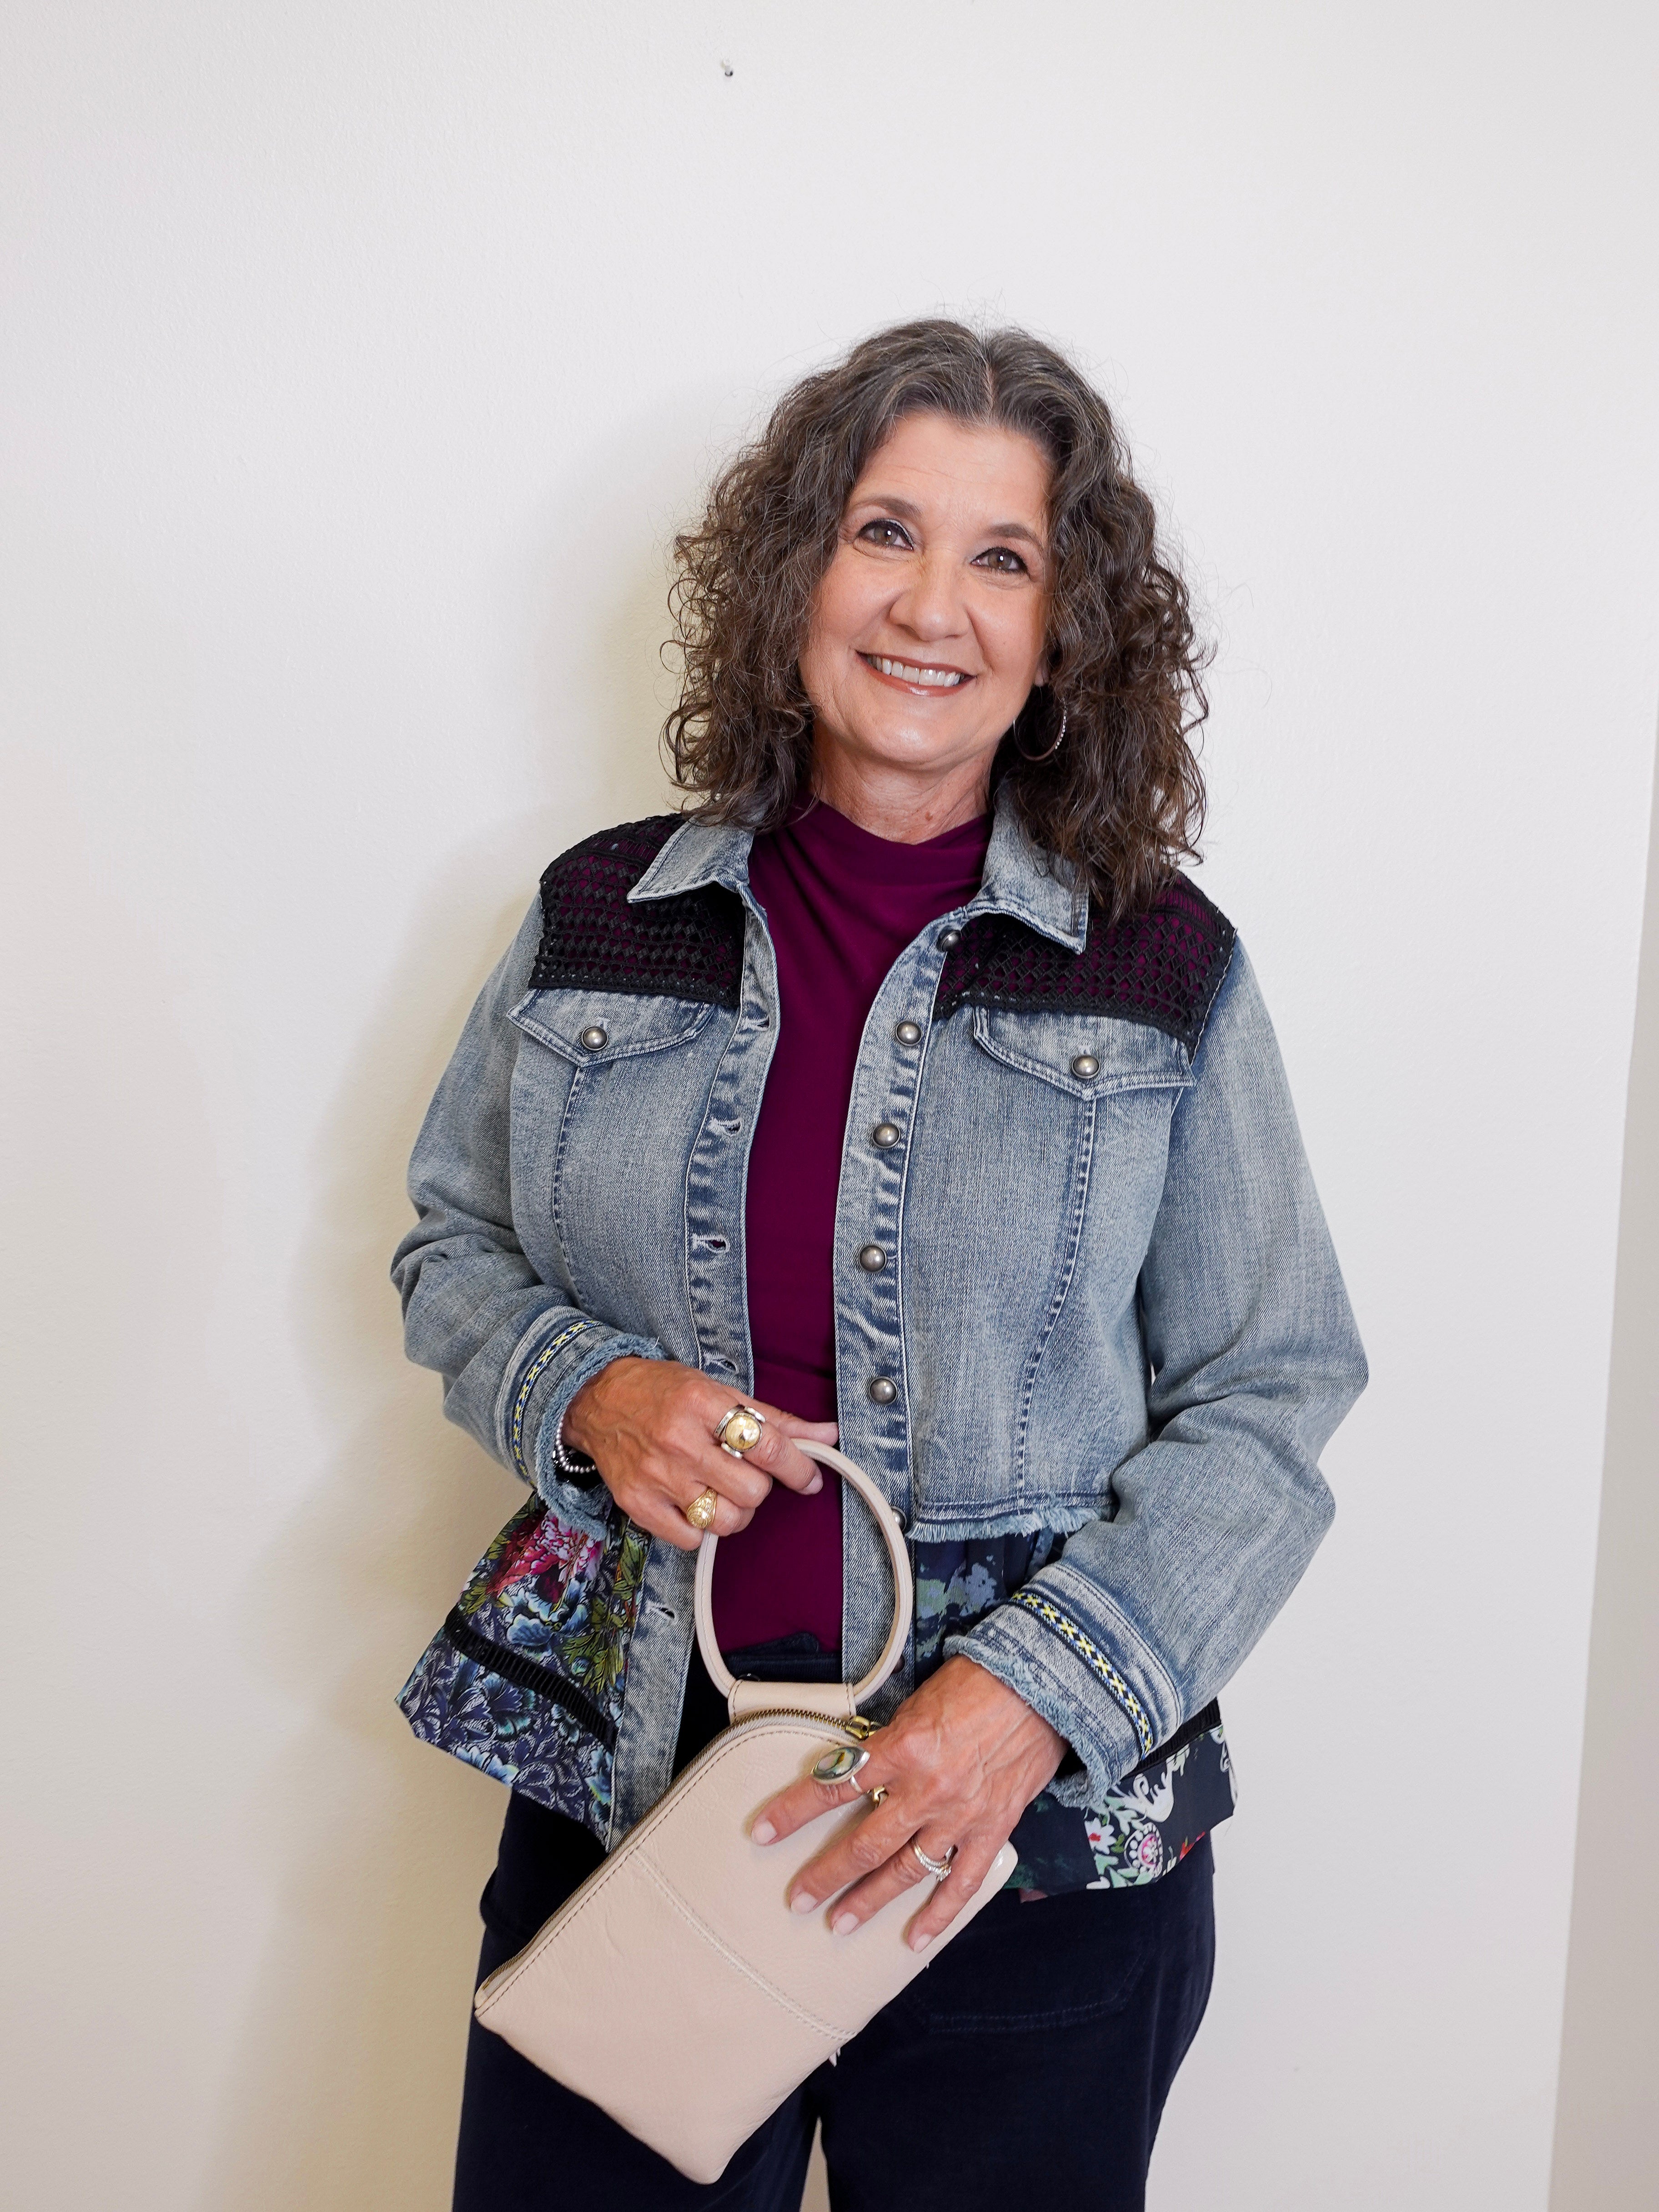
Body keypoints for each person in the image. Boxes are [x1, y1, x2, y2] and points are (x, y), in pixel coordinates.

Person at [392, 319, 1367, 2211]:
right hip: (637, 1794)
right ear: (796, 581)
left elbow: (1276, 1384)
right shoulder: (601, 914)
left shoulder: (1160, 962)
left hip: (1036, 1850)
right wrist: (583, 1388)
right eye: (883, 532)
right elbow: (454, 1241)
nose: (936, 604)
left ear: (1068, 627)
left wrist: (1034, 1694)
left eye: (1003, 557)